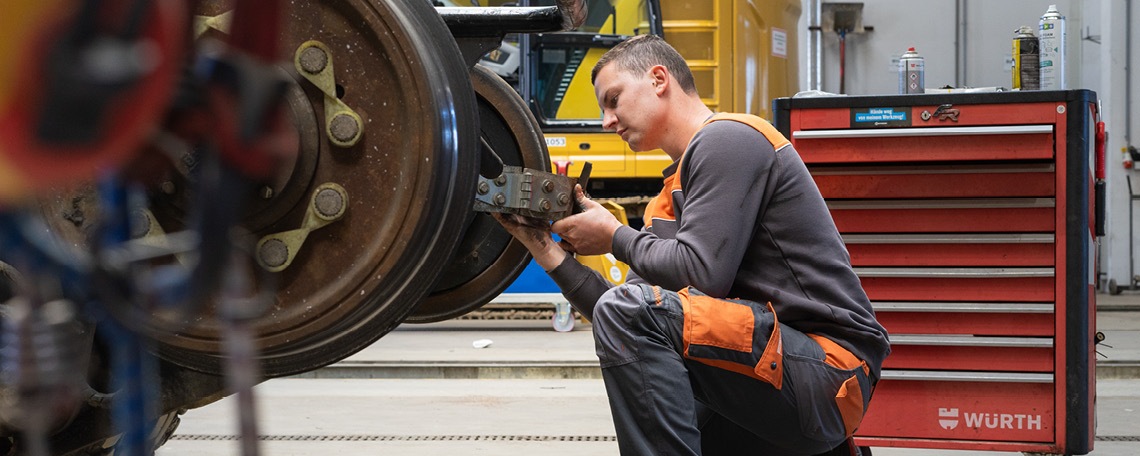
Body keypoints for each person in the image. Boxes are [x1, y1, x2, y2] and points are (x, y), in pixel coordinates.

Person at [493, 34, 890, 455]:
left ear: (659, 79)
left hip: (828, 372)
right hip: (774, 371)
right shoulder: (667, 202)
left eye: (614, 99)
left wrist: (613, 236)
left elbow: (703, 274)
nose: (607, 120)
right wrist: (541, 246)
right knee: (632, 317)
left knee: (636, 315)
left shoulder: (729, 139)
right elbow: (620, 317)